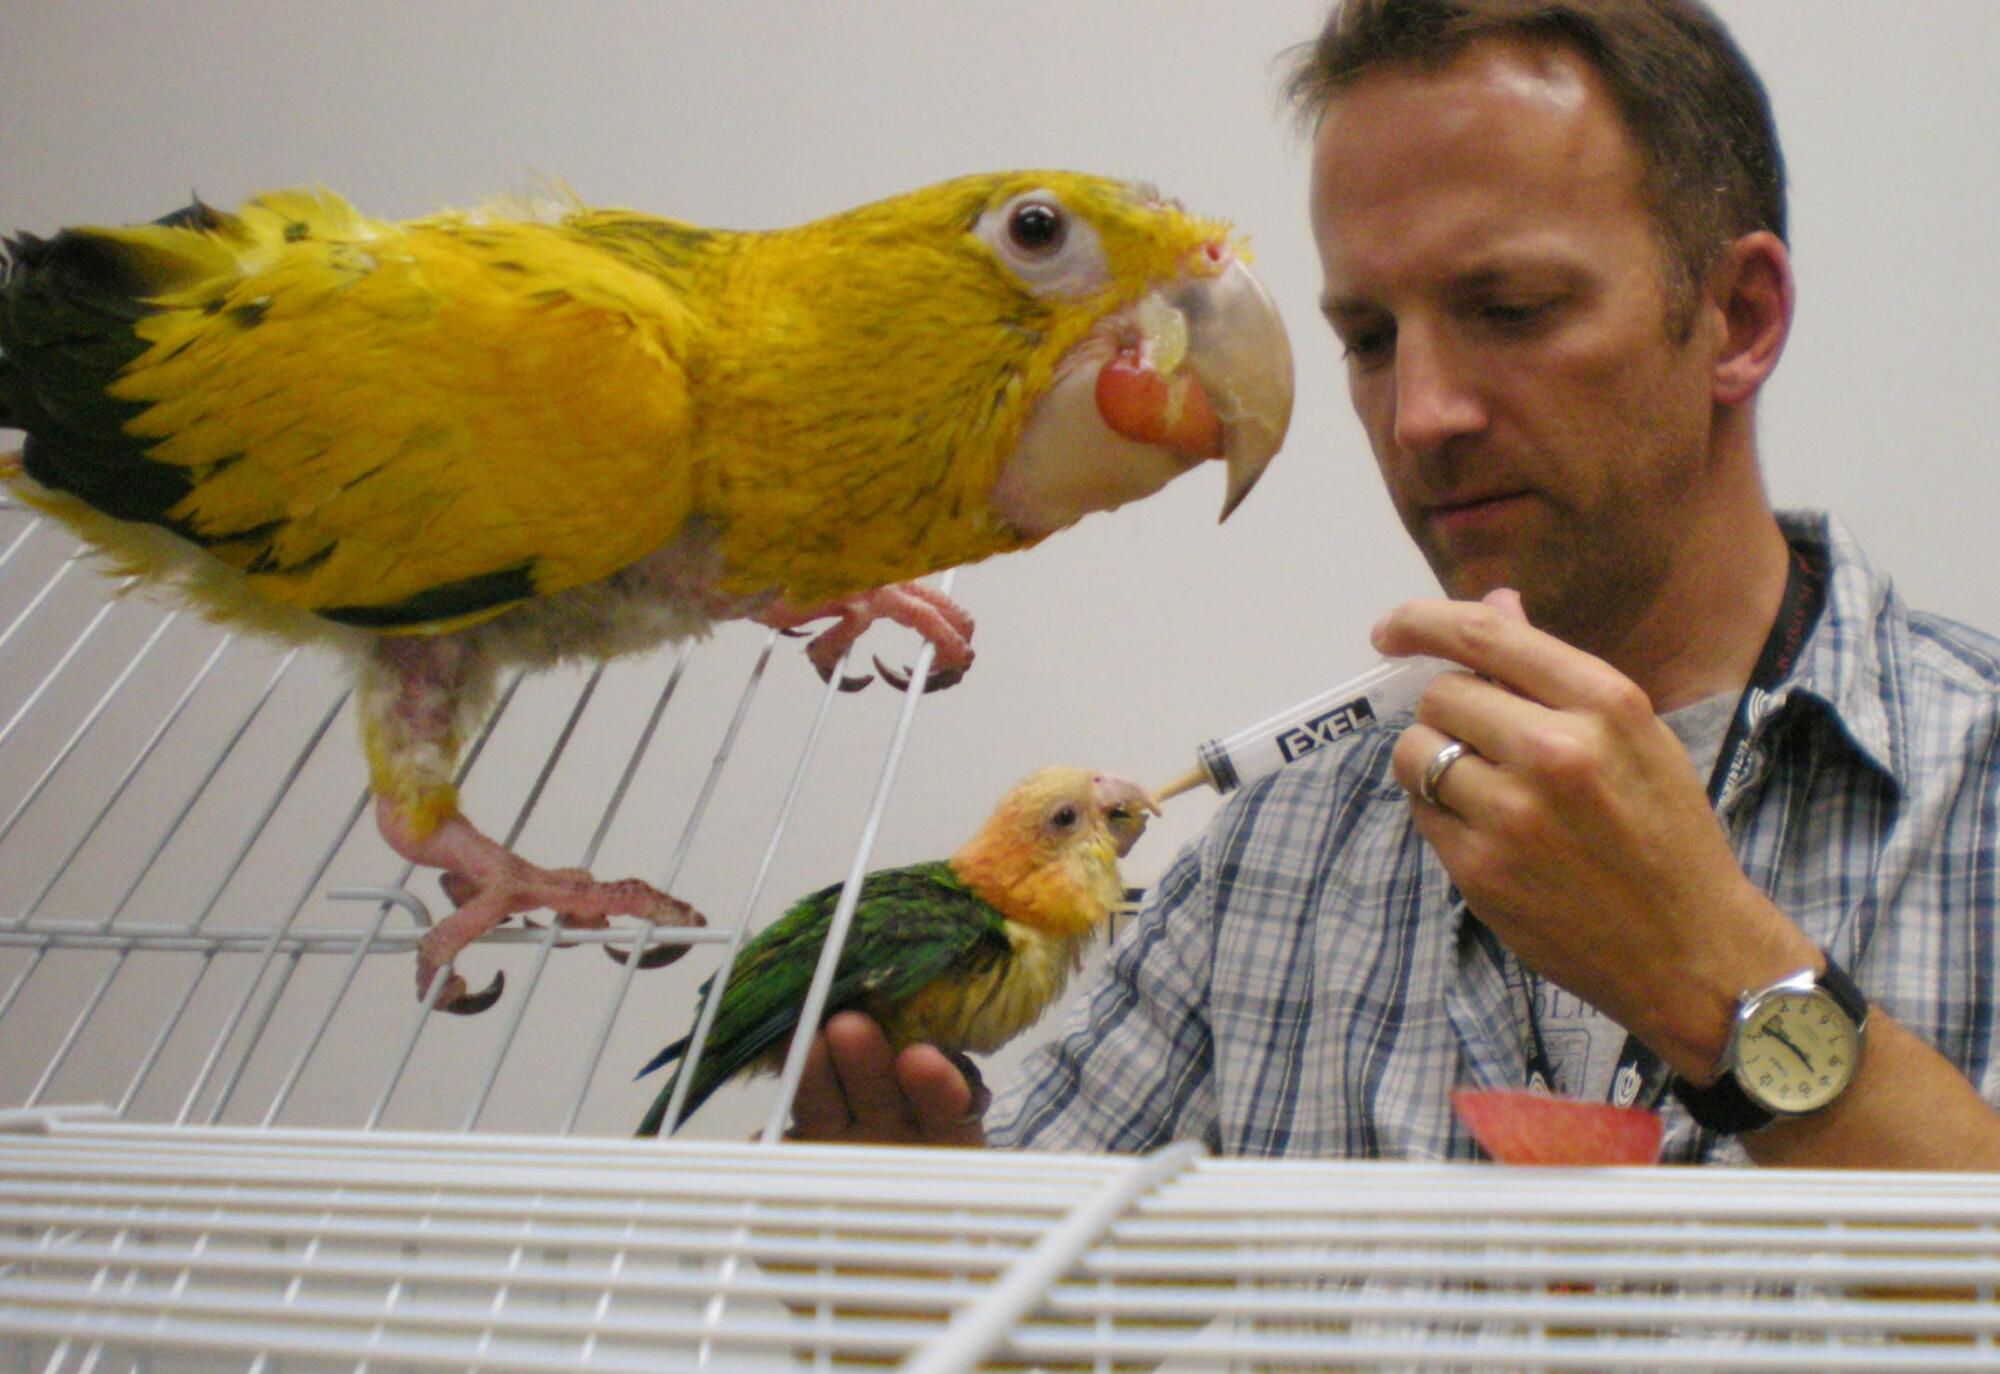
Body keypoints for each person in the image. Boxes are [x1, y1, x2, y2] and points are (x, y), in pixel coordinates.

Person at [783, 0, 2000, 1167]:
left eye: (1510, 310)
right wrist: (909, 1265)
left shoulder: (1974, 781)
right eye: (1368, 340)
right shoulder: (1275, 856)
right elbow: (1005, 1299)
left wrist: (1712, 981)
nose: (1417, 416)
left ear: (1735, 318)